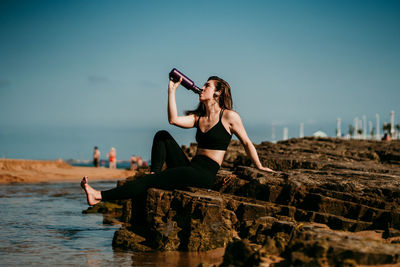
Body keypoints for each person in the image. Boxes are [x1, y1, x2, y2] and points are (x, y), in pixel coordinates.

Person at [81, 75, 276, 206]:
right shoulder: (198, 118)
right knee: (162, 135)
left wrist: (259, 166)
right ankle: (154, 174)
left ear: (217, 93)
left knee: (151, 181)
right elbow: (173, 119)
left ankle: (99, 196)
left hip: (204, 175)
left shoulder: (229, 117)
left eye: (207, 85)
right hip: (191, 167)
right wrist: (171, 91)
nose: (202, 87)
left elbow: (247, 143)